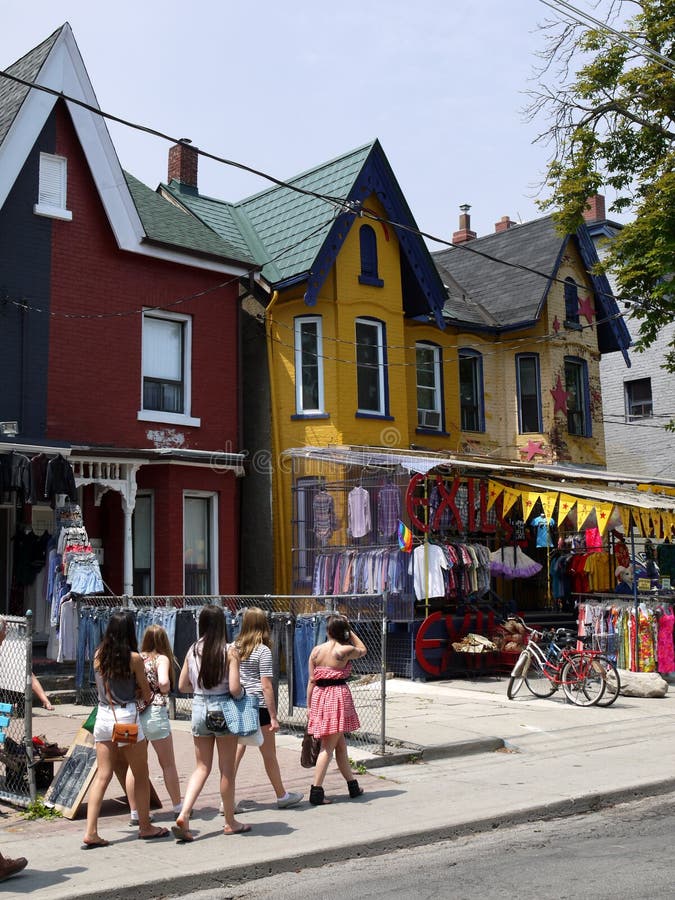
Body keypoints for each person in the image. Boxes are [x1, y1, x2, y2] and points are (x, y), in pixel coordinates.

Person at [82, 610, 170, 847]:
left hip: (103, 716)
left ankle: (91, 830)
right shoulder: (134, 658)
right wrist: (141, 691)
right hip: (126, 719)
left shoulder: (99, 654)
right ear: (130, 630)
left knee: (103, 775)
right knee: (140, 773)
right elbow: (146, 690)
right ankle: (145, 826)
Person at [172, 604, 250, 841]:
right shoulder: (230, 651)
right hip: (223, 708)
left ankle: (184, 813)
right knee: (226, 768)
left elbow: (182, 686)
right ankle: (230, 821)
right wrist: (243, 692)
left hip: (199, 707)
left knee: (201, 767)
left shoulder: (192, 650)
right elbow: (235, 689)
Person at [233, 607, 303, 811]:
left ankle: (225, 798)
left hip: (239, 702)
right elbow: (266, 685)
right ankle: (282, 795)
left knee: (236, 751)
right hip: (259, 705)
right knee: (269, 754)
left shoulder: (234, 647)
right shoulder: (262, 650)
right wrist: (273, 716)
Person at [306, 614, 367, 806]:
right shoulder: (344, 650)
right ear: (343, 632)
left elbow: (311, 680)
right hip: (337, 697)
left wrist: (309, 706)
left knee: (340, 746)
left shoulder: (316, 651)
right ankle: (316, 791)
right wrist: (350, 629)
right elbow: (363, 650)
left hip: (319, 696)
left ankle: (353, 786)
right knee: (328, 747)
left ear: (328, 631)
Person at [126, 624, 182, 825]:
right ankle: (178, 807)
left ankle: (135, 812)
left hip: (134, 713)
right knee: (167, 763)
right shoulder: (162, 658)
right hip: (155, 711)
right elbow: (165, 683)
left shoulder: (136, 658)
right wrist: (161, 688)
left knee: (135, 767)